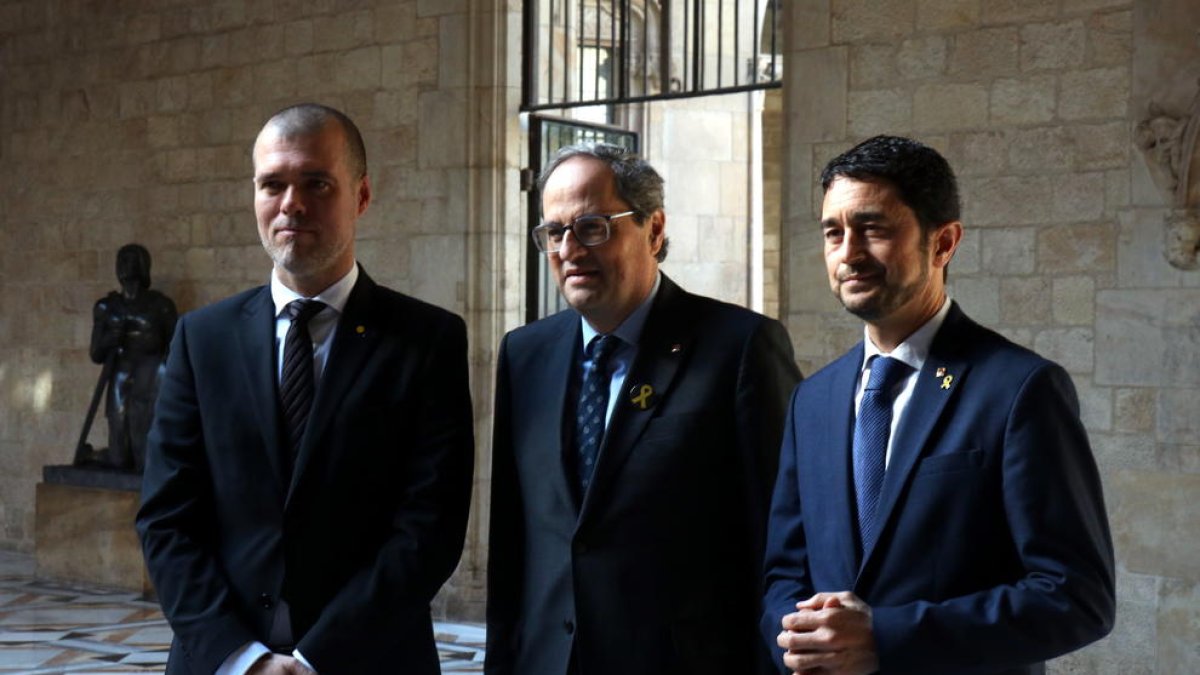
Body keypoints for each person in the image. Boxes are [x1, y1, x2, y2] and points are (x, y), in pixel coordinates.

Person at [136, 103, 474, 675]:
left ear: (362, 196)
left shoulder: (427, 340)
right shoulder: (202, 337)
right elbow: (167, 519)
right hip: (221, 661)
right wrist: (243, 658)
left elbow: (428, 529)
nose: (291, 203)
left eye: (316, 183)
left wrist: (314, 661)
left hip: (370, 660)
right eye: (273, 184)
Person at [761, 135, 1115, 675]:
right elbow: (784, 575)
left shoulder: (1020, 389)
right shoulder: (813, 399)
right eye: (834, 233)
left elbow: (1077, 597)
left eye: (873, 228)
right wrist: (795, 635)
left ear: (944, 243)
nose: (848, 253)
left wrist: (886, 636)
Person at [486, 143, 801, 675]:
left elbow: (778, 539)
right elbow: (513, 542)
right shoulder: (524, 353)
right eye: (555, 232)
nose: (570, 249)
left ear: (654, 230)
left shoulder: (741, 347)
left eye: (592, 226)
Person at [85, 243, 177, 471]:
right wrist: (110, 338)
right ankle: (106, 458)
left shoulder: (160, 306)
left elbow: (175, 350)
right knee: (118, 436)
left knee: (142, 432)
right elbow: (96, 353)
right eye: (121, 260)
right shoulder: (107, 307)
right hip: (120, 371)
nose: (124, 265)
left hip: (152, 372)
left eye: (130, 259)